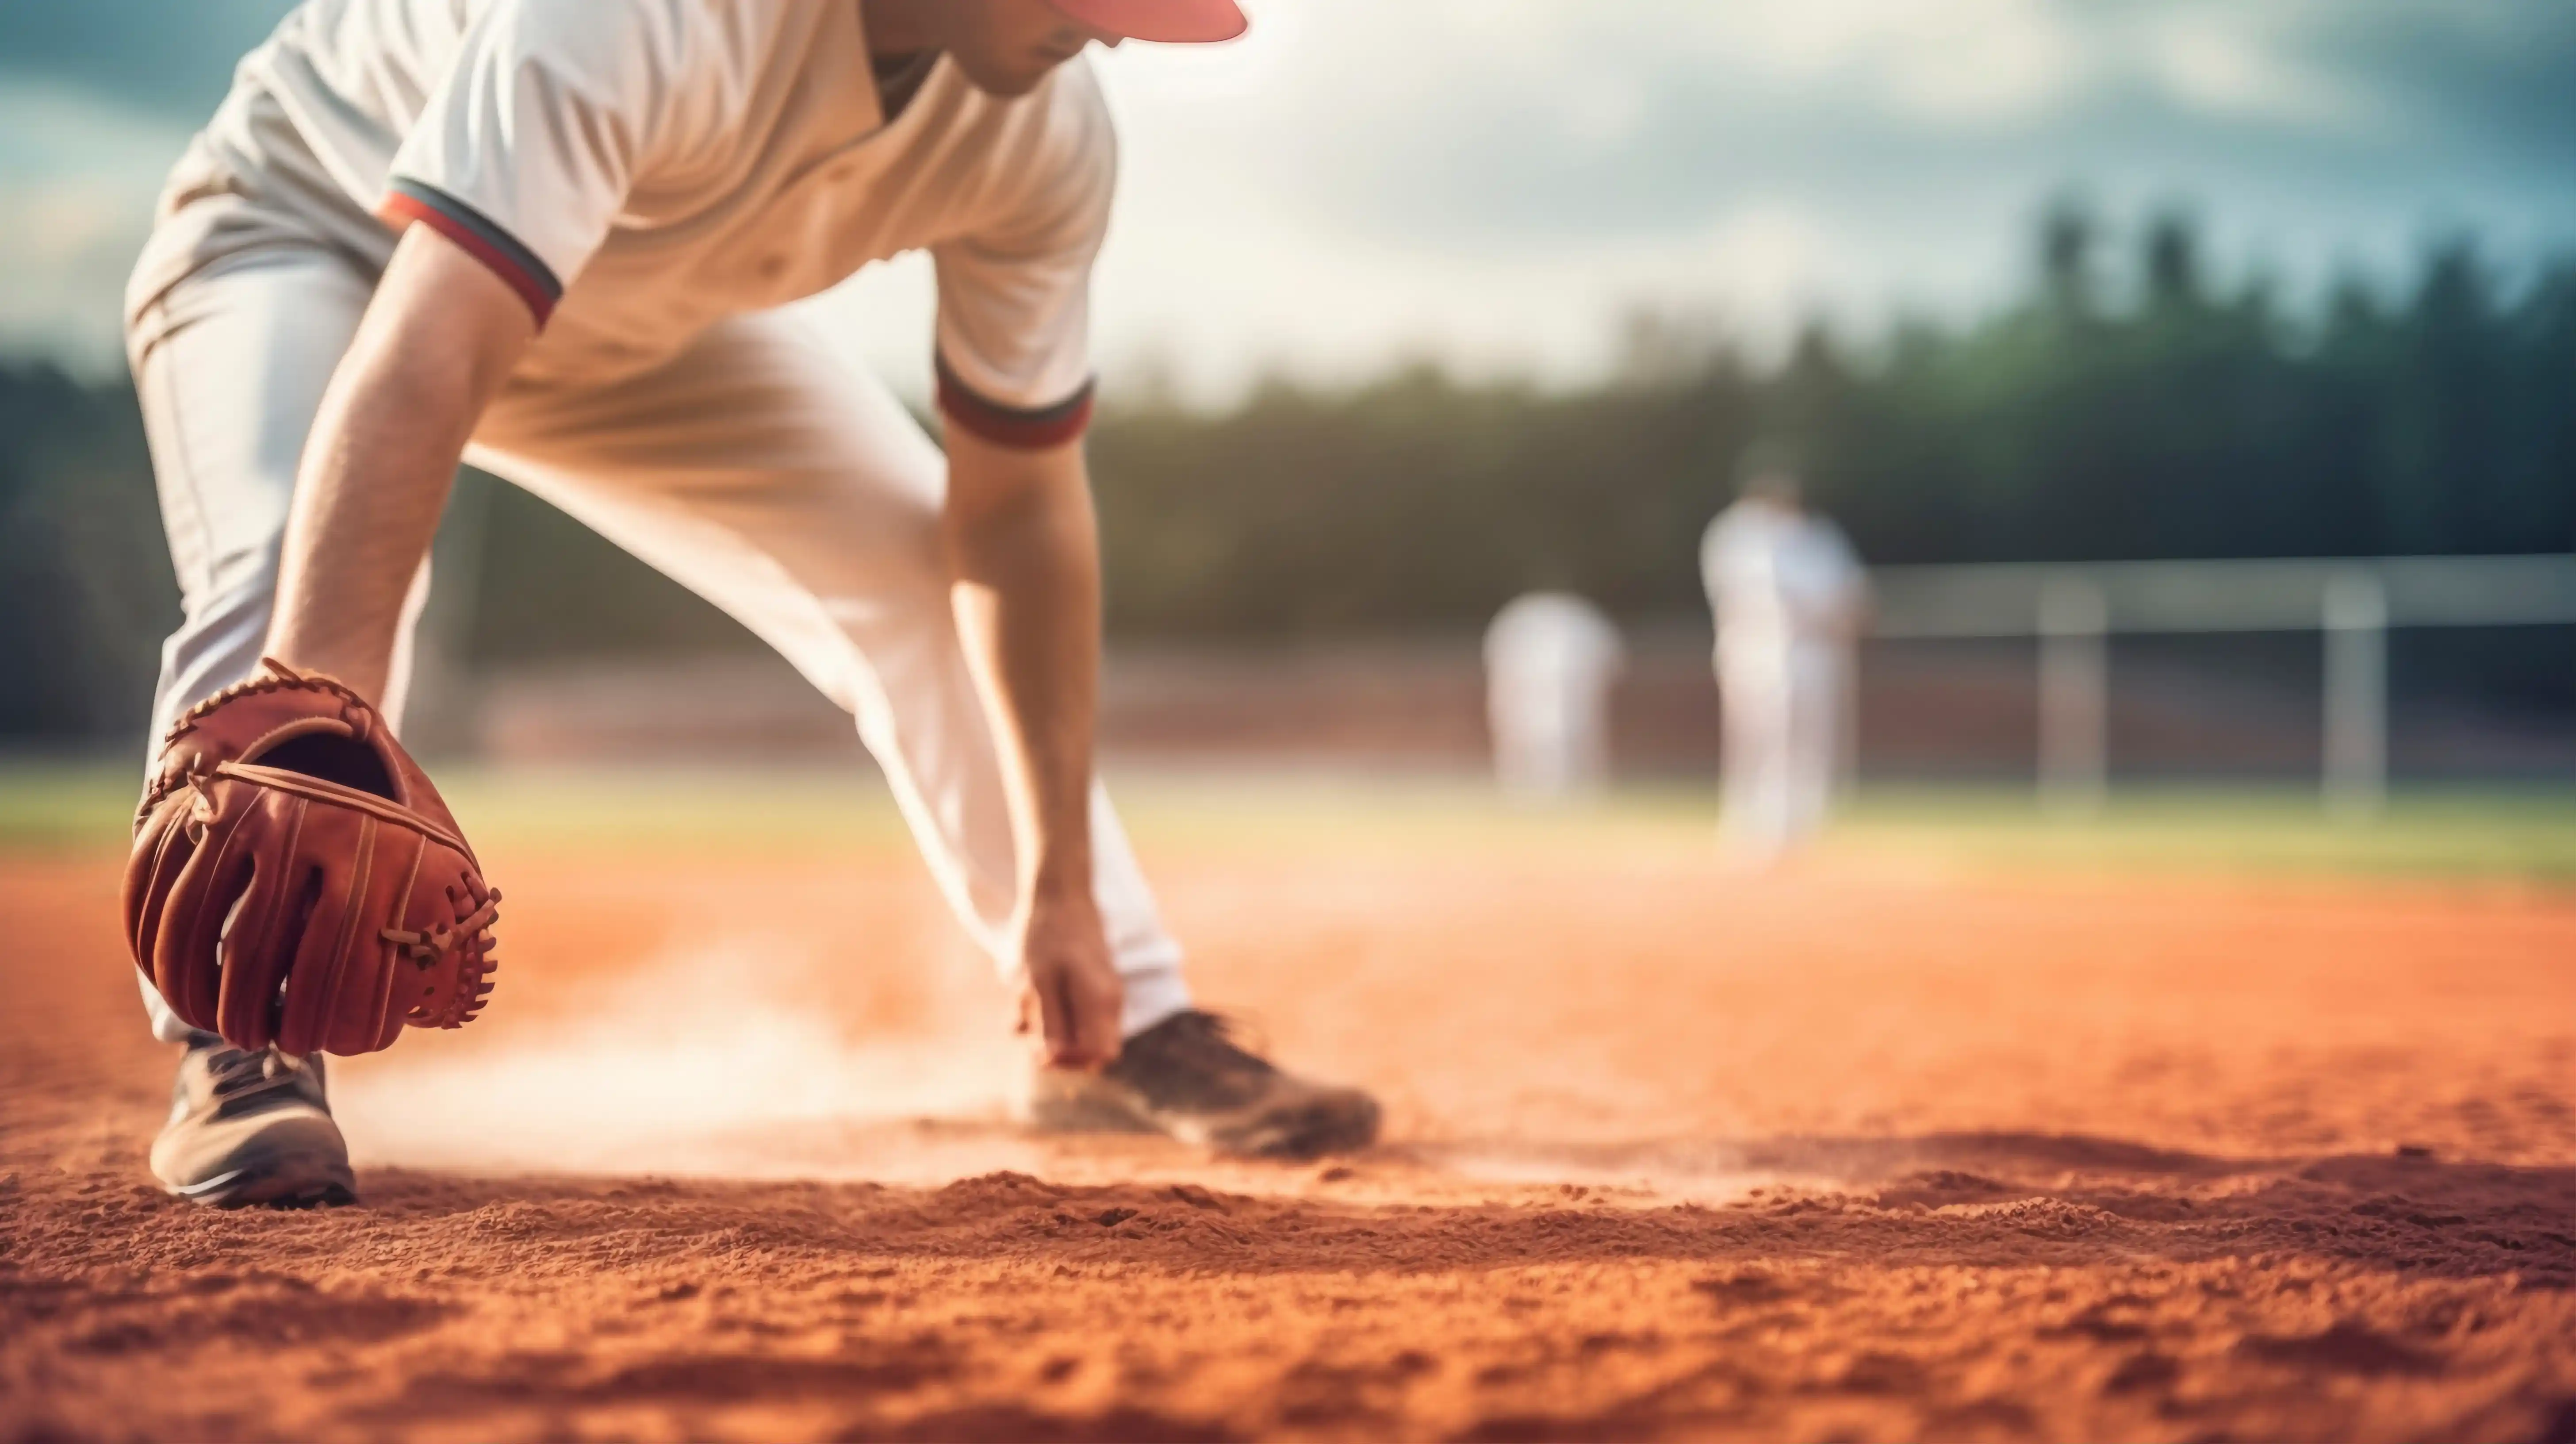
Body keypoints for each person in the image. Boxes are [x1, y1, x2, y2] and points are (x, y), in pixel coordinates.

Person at [123, 0, 1379, 1207]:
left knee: (921, 568)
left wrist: (1060, 882)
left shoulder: (1048, 130)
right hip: (310, 236)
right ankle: (242, 1040)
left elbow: (1018, 517)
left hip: (618, 316)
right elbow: (428, 353)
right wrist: (318, 740)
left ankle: (1116, 1021)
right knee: (288, 565)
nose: (1108, 26)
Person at [1699, 447, 1869, 864]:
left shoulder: (1816, 536)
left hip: (1812, 649)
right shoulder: (1738, 534)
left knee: (1805, 741)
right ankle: (1751, 823)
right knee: (1758, 738)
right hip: (1755, 646)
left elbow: (1851, 600)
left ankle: (1798, 824)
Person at [1483, 591, 1624, 802]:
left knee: (1571, 744)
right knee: (1528, 746)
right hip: (1533, 703)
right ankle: (1520, 792)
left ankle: (1578, 792)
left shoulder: (1580, 627)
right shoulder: (1520, 627)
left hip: (1570, 704)